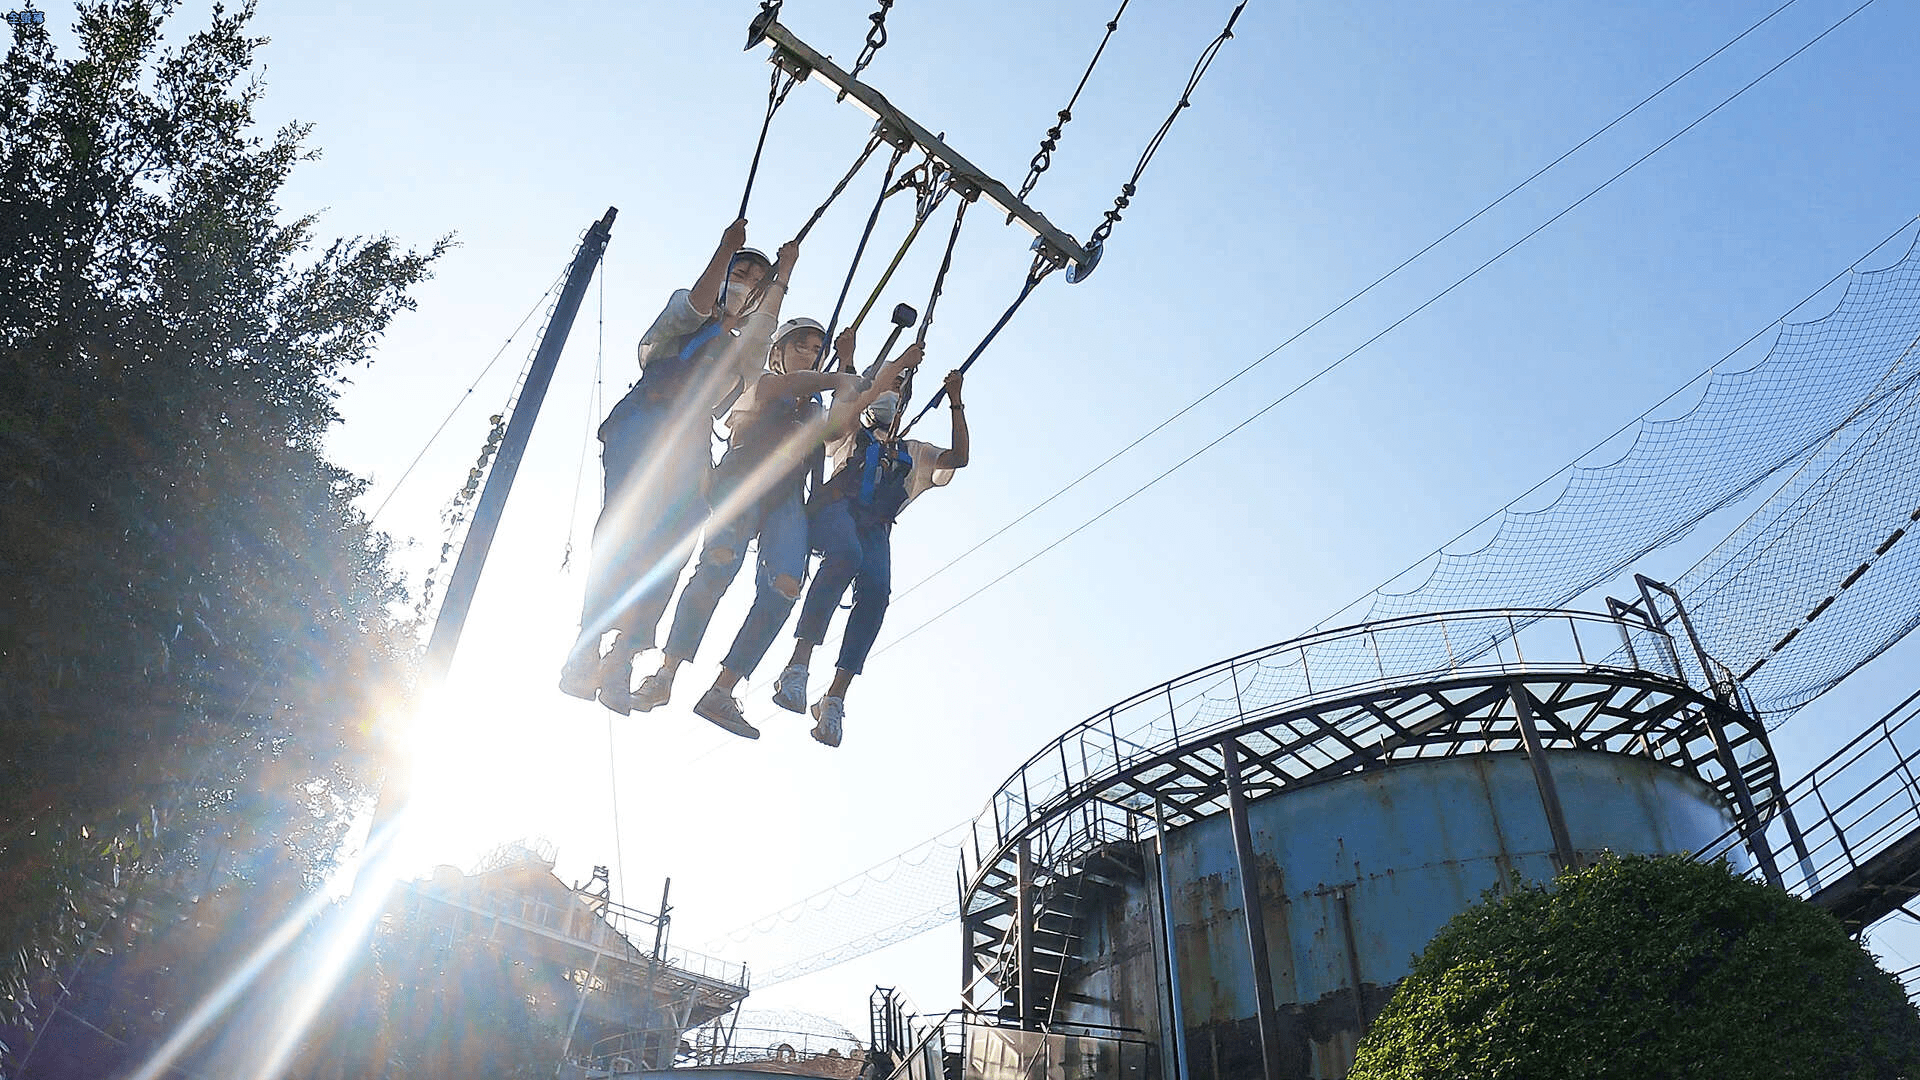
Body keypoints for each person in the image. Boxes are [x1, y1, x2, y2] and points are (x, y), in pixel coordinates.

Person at [630, 328, 919, 737]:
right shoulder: (762, 383)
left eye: (817, 350)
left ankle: (723, 689)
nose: (810, 354)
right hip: (744, 483)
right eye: (800, 346)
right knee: (718, 566)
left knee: (785, 584)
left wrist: (875, 369)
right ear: (779, 352)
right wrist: (837, 376)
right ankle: (666, 673)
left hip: (785, 495)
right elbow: (790, 385)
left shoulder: (816, 406)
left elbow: (839, 423)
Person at [559, 219, 797, 713]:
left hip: (690, 441)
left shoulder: (745, 347)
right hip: (646, 421)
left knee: (672, 542)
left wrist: (784, 274)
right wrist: (724, 247)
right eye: (741, 271)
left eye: (757, 279)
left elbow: (765, 325)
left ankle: (623, 653)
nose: (746, 281)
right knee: (625, 526)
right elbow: (695, 303)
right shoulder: (686, 312)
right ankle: (587, 647)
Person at [771, 364, 969, 747]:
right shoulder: (850, 435)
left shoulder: (914, 452)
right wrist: (853, 364)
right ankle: (798, 665)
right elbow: (848, 398)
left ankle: (835, 697)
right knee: (844, 555)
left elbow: (958, 457)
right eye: (885, 388)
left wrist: (955, 401)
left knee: (877, 590)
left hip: (875, 527)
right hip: (837, 511)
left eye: (897, 391)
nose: (889, 395)